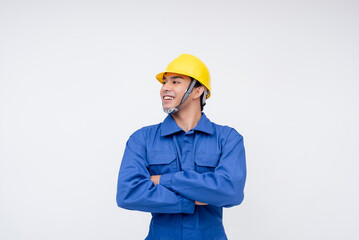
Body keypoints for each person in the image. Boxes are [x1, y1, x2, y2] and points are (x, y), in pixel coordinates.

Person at [116, 54, 247, 240]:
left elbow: (231, 192)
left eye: (175, 82)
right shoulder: (142, 139)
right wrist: (195, 198)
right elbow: (128, 193)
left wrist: (161, 180)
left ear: (197, 91)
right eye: (164, 82)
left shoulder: (227, 139)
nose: (165, 88)